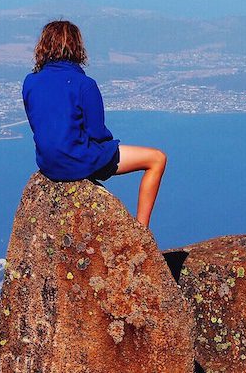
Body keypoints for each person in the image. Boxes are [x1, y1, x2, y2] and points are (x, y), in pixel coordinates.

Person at [22, 20, 167, 227]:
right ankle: (142, 228)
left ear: (43, 46)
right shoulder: (85, 85)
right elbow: (97, 133)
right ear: (77, 48)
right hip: (79, 163)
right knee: (157, 159)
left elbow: (38, 125)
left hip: (48, 164)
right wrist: (108, 146)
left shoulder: (30, 82)